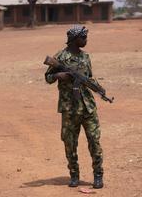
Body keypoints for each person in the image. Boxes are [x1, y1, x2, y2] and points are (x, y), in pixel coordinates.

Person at [44, 25, 104, 189]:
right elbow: (48, 78)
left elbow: (89, 78)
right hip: (69, 108)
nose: (86, 40)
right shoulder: (61, 57)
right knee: (70, 143)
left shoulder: (86, 57)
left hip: (88, 107)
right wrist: (60, 75)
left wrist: (99, 89)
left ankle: (98, 175)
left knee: (94, 141)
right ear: (74, 39)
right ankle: (74, 175)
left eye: (86, 37)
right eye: (83, 37)